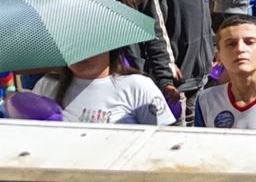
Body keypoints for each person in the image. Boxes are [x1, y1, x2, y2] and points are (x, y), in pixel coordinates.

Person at [150, 0, 222, 124]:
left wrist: (214, 47)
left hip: (203, 69)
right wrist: (167, 65)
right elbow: (157, 31)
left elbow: (206, 18)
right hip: (180, 77)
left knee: (198, 120)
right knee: (180, 125)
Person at [33, 46, 173, 125]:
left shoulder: (138, 86)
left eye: (87, 42)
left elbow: (164, 143)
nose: (77, 51)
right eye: (68, 42)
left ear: (110, 45)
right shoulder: (47, 85)